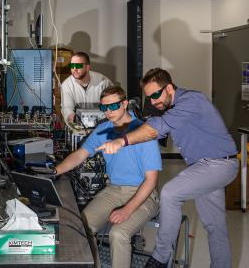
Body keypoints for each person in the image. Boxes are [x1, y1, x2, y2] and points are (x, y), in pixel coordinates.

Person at [96, 68, 239, 268]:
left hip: (219, 164)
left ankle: (160, 259)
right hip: (206, 167)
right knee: (215, 226)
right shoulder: (169, 109)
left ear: (169, 88)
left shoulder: (192, 100)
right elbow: (155, 129)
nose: (153, 101)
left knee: (170, 193)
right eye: (149, 97)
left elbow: (157, 128)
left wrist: (122, 141)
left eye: (156, 95)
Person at [54, 86, 162, 268]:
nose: (109, 112)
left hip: (144, 193)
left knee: (118, 234)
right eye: (104, 108)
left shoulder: (144, 133)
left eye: (113, 106)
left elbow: (151, 181)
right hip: (114, 189)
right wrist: (54, 172)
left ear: (125, 104)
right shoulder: (103, 130)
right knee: (81, 228)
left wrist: (126, 210)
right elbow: (80, 155)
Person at [61, 51, 113, 123]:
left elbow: (113, 104)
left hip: (102, 124)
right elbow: (67, 108)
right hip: (79, 126)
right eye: (72, 66)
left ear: (87, 67)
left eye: (78, 66)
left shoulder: (103, 82)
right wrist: (72, 118)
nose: (75, 69)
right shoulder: (67, 85)